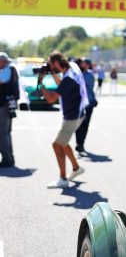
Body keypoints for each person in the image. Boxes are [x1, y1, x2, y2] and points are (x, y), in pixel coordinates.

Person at [39, 51, 88, 188]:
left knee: (57, 145)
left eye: (50, 65)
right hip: (77, 114)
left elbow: (51, 99)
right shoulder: (70, 72)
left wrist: (41, 83)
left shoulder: (68, 79)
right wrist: (53, 73)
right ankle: (76, 168)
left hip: (72, 117)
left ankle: (63, 179)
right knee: (64, 143)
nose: (50, 67)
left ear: (55, 63)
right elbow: (62, 85)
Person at [75, 58, 98, 156]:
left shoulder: (89, 75)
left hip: (88, 103)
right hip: (78, 103)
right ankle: (78, 143)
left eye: (83, 64)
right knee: (78, 124)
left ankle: (81, 143)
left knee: (85, 124)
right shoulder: (76, 74)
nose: (81, 65)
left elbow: (84, 86)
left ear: (87, 65)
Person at [0, 52, 19, 167]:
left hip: (4, 105)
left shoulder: (8, 70)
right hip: (6, 105)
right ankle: (8, 158)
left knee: (3, 133)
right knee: (5, 132)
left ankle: (7, 159)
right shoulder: (9, 70)